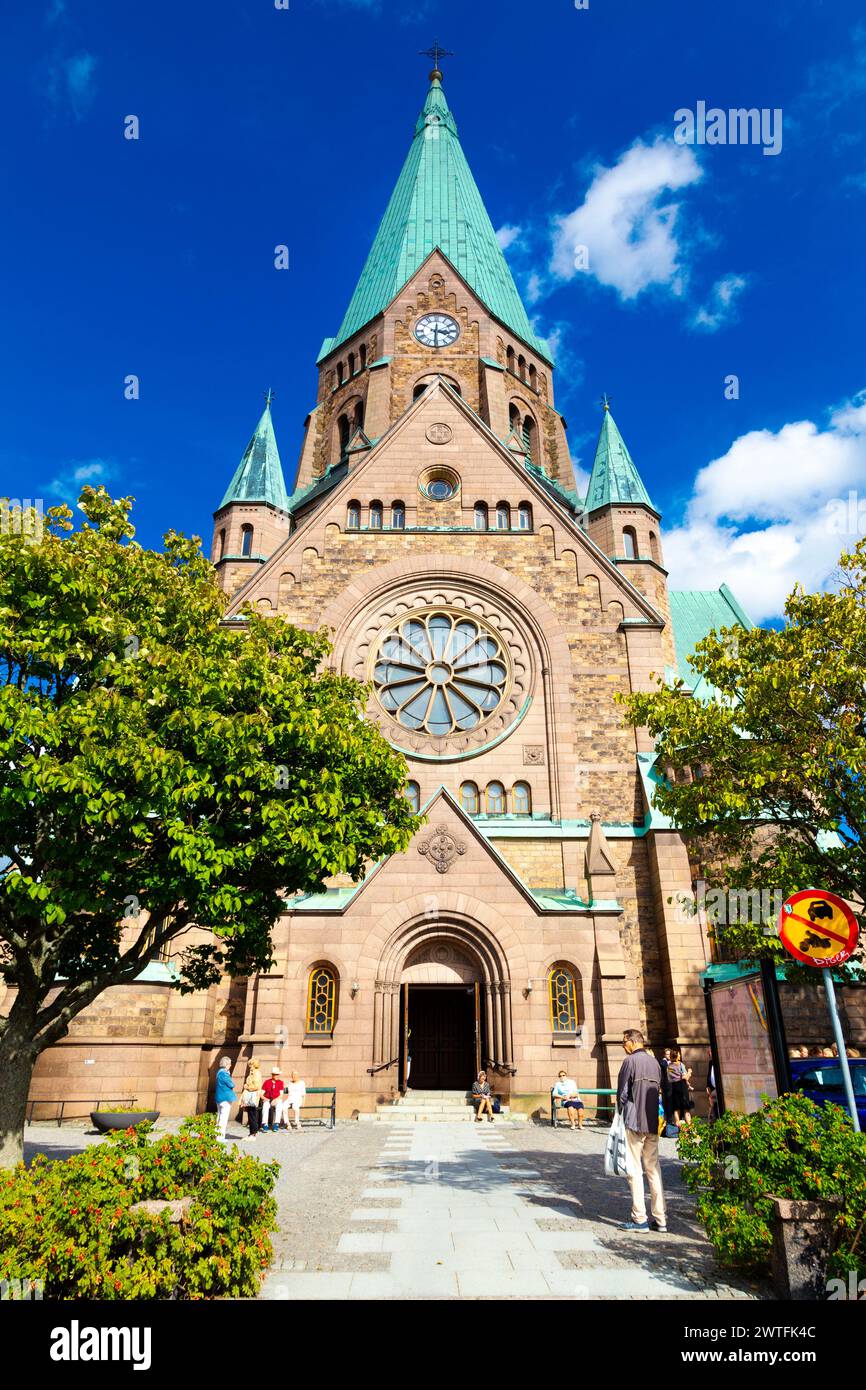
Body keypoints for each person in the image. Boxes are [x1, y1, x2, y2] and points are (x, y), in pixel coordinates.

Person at [617, 1029, 667, 1233]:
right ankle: (661, 1219)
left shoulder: (630, 1062)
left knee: (634, 1169)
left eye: (624, 1042)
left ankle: (640, 1219)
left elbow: (622, 1093)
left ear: (632, 1041)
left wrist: (621, 1114)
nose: (622, 1046)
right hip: (653, 1122)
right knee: (653, 1169)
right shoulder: (655, 1062)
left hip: (635, 1121)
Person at [667, 1048, 693, 1127]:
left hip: (674, 1087)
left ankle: (679, 1127)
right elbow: (685, 1077)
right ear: (677, 1056)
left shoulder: (669, 1067)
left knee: (676, 1108)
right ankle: (691, 1128)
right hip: (682, 1087)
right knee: (686, 1108)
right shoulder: (680, 1064)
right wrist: (689, 1072)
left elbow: (669, 1078)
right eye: (679, 1055)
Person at [214, 1057, 236, 1141]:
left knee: (219, 1117)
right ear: (226, 1064)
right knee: (223, 1118)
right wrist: (229, 1075)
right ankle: (220, 1137)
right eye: (230, 1064)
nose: (230, 1065)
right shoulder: (224, 1073)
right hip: (225, 1097)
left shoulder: (219, 1072)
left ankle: (216, 1135)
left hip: (219, 1097)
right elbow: (231, 1084)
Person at [241, 1057, 263, 1140]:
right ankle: (251, 1133)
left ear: (254, 1065)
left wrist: (247, 1086)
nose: (249, 1066)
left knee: (253, 1115)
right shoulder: (252, 1072)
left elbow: (256, 1086)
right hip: (250, 1096)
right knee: (250, 1114)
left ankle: (254, 1134)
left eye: (251, 1065)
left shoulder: (256, 1073)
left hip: (254, 1095)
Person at [261, 1068, 285, 1133]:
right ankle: (265, 1124)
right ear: (272, 1075)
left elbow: (281, 1095)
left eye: (278, 1074)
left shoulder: (280, 1082)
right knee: (265, 1106)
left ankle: (276, 1123)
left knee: (279, 1105)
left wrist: (276, 1100)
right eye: (276, 1074)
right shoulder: (267, 1082)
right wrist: (264, 1098)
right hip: (268, 1099)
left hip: (276, 1099)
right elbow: (261, 1094)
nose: (277, 1076)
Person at [705, 1048, 719, 1123]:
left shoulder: (719, 1061)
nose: (709, 1055)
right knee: (712, 1105)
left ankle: (713, 1122)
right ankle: (712, 1123)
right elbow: (709, 1075)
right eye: (709, 1054)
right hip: (713, 1088)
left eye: (711, 1053)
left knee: (715, 1106)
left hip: (719, 1088)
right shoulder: (711, 1062)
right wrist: (707, 1086)